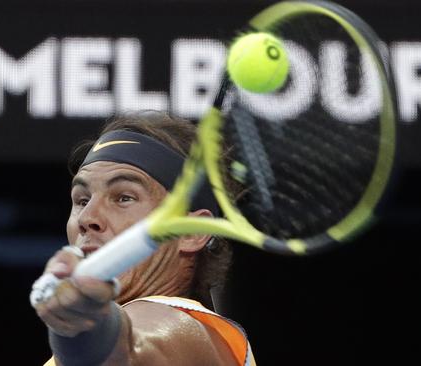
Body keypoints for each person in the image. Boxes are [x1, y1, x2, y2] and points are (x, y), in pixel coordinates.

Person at [32, 111, 256, 365]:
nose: (87, 218)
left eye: (124, 198)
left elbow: (126, 353)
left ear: (192, 232)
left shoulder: (181, 329)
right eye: (82, 200)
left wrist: (86, 324)